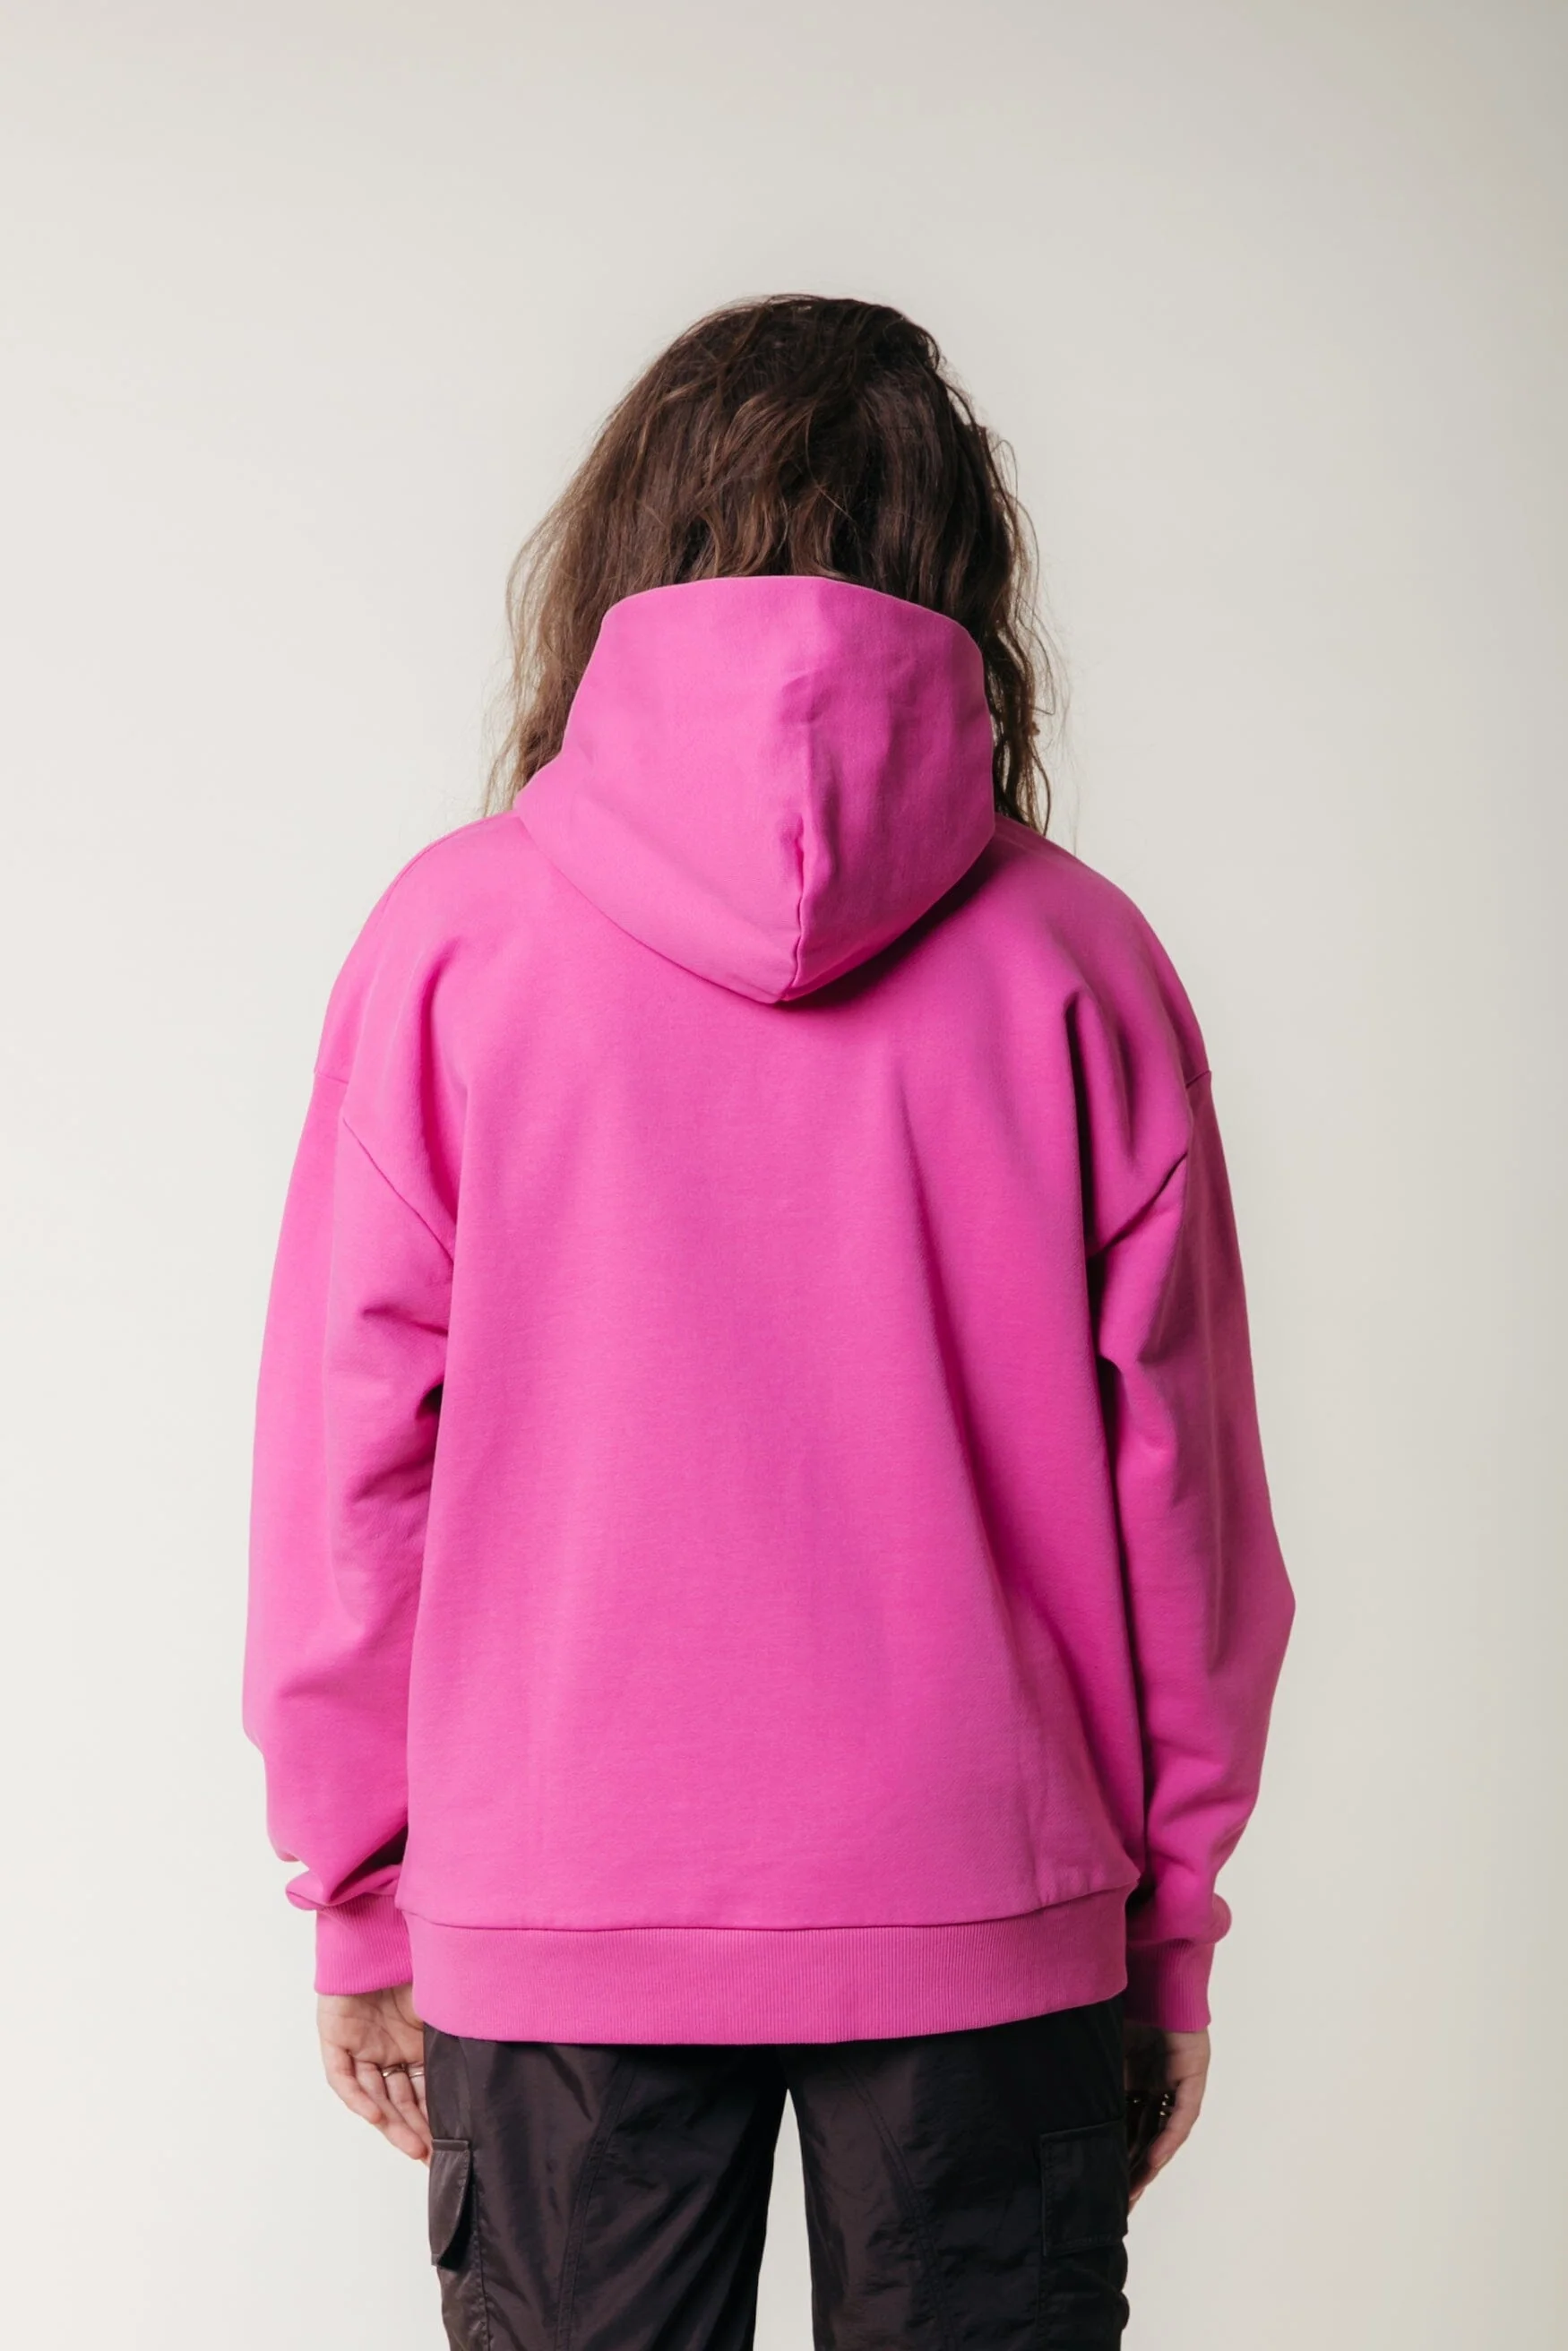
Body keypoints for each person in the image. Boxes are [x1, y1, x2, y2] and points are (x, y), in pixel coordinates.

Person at [245, 293, 1295, 2349]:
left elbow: (345, 1472)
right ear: (956, 571)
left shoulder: (456, 943)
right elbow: (1186, 1512)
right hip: (986, 1904)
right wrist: (1166, 1924)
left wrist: (357, 1887)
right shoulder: (1079, 965)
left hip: (560, 1897)